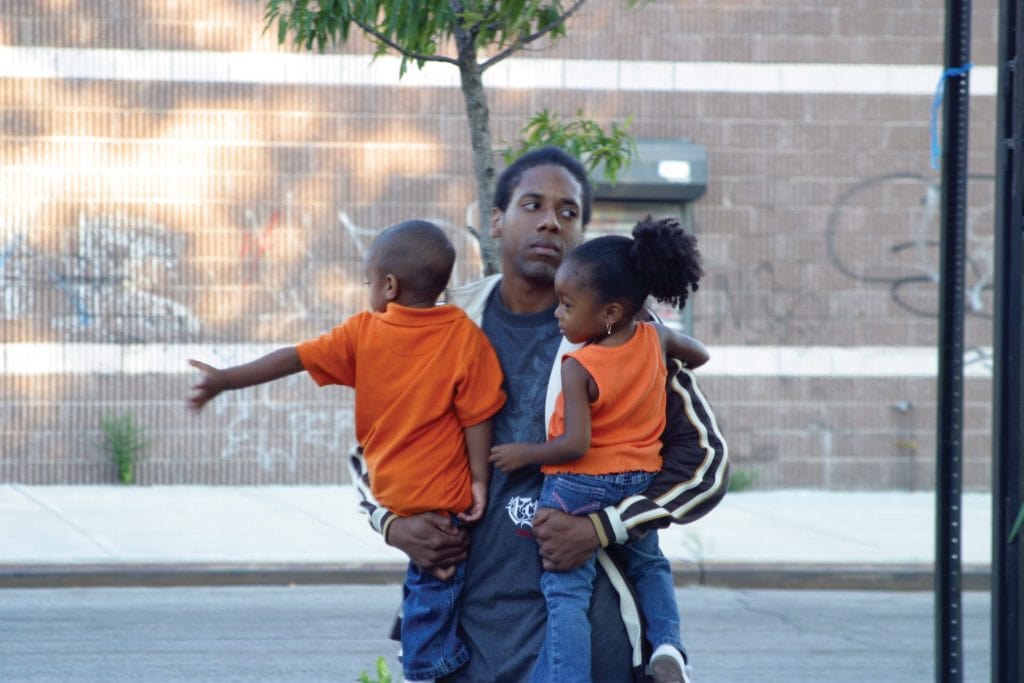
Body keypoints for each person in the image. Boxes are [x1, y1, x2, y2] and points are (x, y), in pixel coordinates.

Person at [350, 147, 730, 682]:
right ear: (497, 221)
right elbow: (370, 448)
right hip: (459, 628)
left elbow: (706, 465)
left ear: (581, 233)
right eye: (533, 205)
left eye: (568, 211)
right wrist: (393, 524)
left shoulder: (625, 335)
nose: (551, 221)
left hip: (588, 630)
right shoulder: (443, 323)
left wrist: (603, 527)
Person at [185, 220, 505, 683]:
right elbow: (478, 417)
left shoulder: (364, 333)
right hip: (443, 505)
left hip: (432, 520)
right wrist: (479, 480)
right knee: (428, 608)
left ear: (389, 286)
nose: (368, 291)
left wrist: (225, 379)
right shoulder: (465, 337)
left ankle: (430, 671)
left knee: (426, 631)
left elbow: (294, 357)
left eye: (368, 282)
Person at [488, 216, 707, 683]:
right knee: (650, 565)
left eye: (567, 305)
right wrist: (656, 347)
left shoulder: (579, 365)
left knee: (566, 591)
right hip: (638, 481)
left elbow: (575, 444)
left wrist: (524, 453)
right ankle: (669, 646)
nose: (558, 314)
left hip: (578, 486)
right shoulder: (655, 337)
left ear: (609, 313)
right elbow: (701, 354)